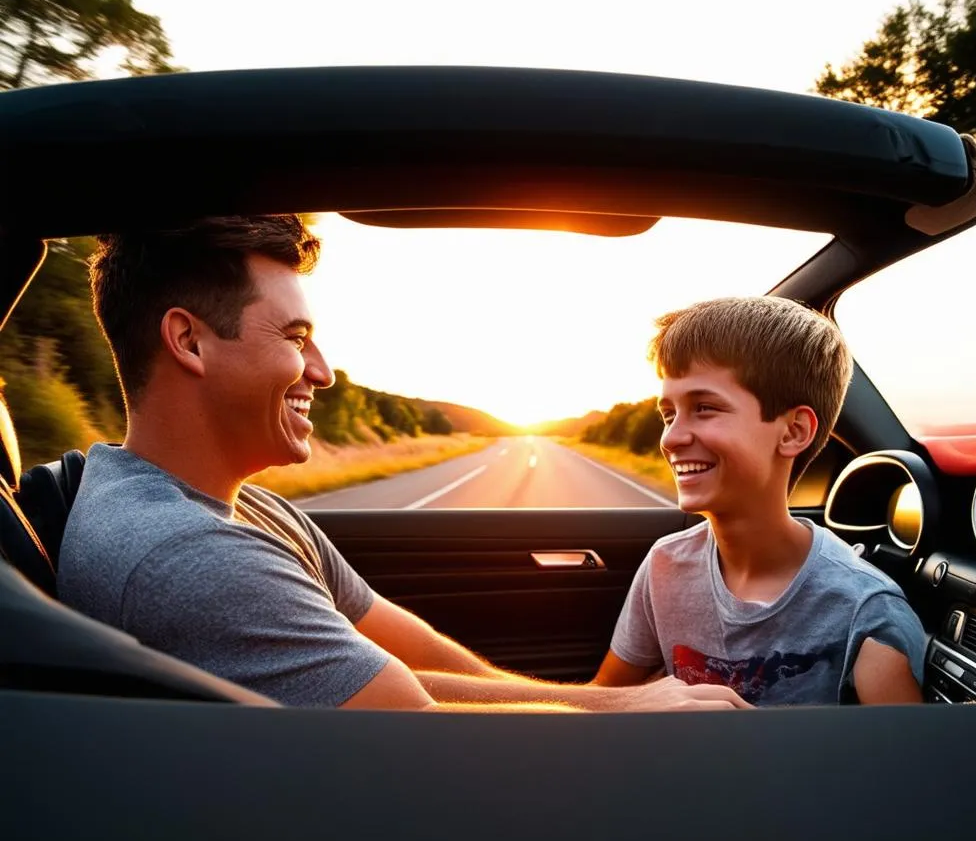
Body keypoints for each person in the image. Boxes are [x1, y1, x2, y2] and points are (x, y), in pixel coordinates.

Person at [58, 215, 747, 713]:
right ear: (189, 342)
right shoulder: (187, 554)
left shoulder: (243, 507)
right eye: (296, 338)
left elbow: (407, 652)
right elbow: (419, 730)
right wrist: (626, 713)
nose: (322, 373)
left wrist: (607, 707)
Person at [592, 297, 926, 705]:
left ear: (792, 432)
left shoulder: (866, 612)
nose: (672, 437)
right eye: (669, 414)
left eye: (704, 408)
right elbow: (606, 704)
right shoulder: (666, 564)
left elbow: (904, 765)